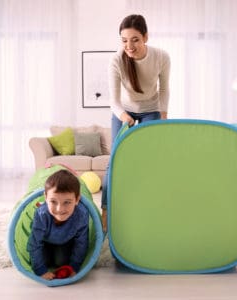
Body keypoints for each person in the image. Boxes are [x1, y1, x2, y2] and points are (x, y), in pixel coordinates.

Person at [101, 14, 171, 231]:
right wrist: (124, 117)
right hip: (123, 111)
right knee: (116, 159)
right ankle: (106, 211)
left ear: (145, 37)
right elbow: (112, 100)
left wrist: (163, 114)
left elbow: (164, 89)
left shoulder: (161, 57)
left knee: (151, 160)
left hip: (151, 110)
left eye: (134, 40)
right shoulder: (116, 60)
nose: (129, 46)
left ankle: (150, 208)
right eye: (124, 40)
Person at [27, 169, 89, 280]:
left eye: (67, 202)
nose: (59, 209)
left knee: (61, 261)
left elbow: (81, 243)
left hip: (66, 242)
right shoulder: (42, 214)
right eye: (53, 201)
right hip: (44, 243)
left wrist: (74, 267)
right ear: (46, 198)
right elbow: (34, 244)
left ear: (77, 199)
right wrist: (41, 271)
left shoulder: (81, 214)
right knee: (42, 260)